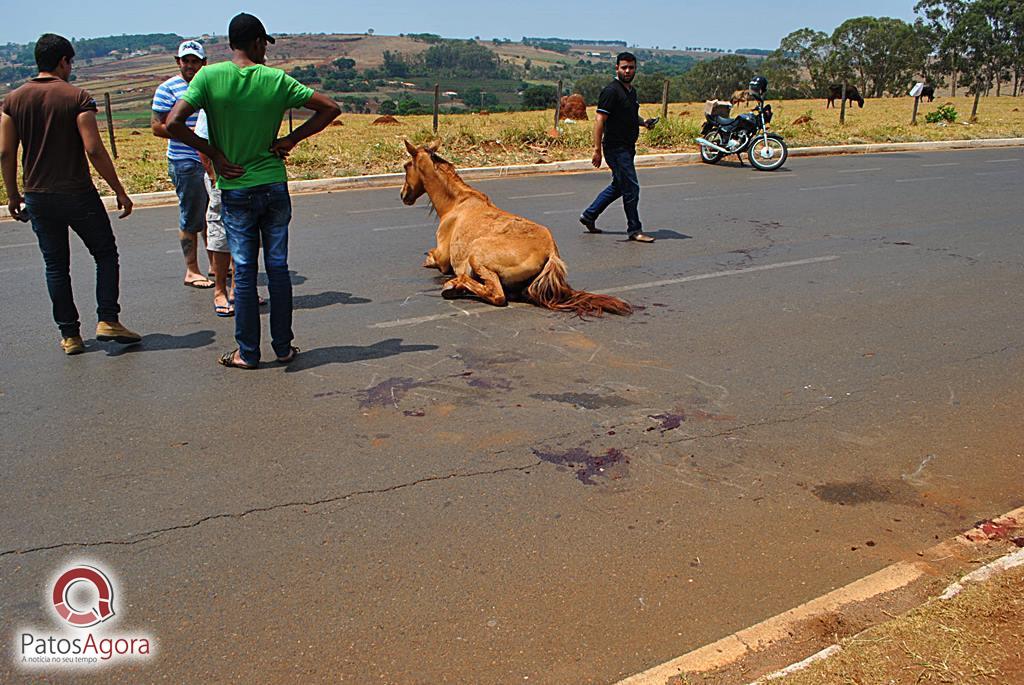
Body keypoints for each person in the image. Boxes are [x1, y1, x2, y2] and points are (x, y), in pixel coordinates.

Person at [165, 13, 340, 369]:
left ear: (232, 43)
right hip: (273, 185)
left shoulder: (209, 77)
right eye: (264, 44)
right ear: (259, 42)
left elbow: (172, 123)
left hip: (235, 188)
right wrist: (290, 139)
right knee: (277, 267)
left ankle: (247, 353)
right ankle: (283, 348)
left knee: (243, 271)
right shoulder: (276, 80)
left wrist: (214, 153)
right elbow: (330, 108)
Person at [1, 33, 141, 355]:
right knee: (105, 254)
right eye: (71, 62)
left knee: (55, 266)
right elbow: (93, 148)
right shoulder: (77, 97)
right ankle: (108, 319)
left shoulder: (13, 100)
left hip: (37, 195)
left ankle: (70, 336)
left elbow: (6, 153)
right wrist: (119, 190)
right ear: (64, 61)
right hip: (77, 193)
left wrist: (13, 196)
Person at [152, 39, 214, 289]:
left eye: (194, 61)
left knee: (211, 213)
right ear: (178, 62)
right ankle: (192, 270)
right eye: (185, 61)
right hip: (185, 159)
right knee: (192, 215)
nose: (190, 65)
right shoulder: (168, 89)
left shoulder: (209, 87)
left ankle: (215, 263)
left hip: (208, 158)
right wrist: (191, 136)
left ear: (203, 63)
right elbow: (157, 127)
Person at [579, 51, 658, 243]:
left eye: (631, 67)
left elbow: (630, 116)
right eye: (624, 67)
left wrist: (644, 123)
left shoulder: (631, 92)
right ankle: (634, 229)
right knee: (631, 187)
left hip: (628, 147)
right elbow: (599, 120)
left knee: (618, 186)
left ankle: (589, 215)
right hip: (615, 148)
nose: (628, 71)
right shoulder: (611, 91)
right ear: (617, 68)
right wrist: (597, 150)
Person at [193, 109, 233, 316]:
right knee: (220, 231)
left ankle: (238, 288)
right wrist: (212, 174)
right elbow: (202, 141)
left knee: (247, 233)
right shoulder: (213, 102)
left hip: (251, 177)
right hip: (221, 178)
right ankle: (220, 290)